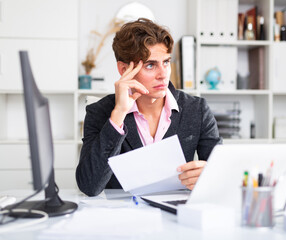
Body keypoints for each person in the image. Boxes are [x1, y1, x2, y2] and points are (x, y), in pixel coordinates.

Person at [76, 18, 221, 196]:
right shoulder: (100, 112)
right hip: (123, 216)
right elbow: (89, 186)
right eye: (150, 65)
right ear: (123, 70)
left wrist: (209, 174)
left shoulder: (197, 109)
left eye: (166, 62)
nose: (163, 75)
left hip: (175, 215)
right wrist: (118, 115)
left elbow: (220, 173)